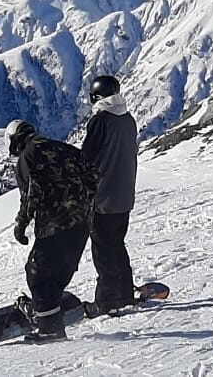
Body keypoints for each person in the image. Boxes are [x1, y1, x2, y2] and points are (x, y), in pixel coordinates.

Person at [7, 119, 97, 340]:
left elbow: (30, 196)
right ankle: (49, 311)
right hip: (82, 222)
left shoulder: (28, 157)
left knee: (38, 273)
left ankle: (50, 328)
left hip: (55, 224)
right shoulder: (65, 148)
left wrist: (21, 225)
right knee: (58, 273)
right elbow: (94, 176)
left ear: (15, 140)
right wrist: (83, 205)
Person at [79, 75, 139, 313]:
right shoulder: (128, 119)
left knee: (102, 249)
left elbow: (88, 156)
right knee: (116, 244)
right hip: (124, 194)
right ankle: (125, 293)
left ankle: (106, 300)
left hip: (103, 196)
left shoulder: (101, 120)